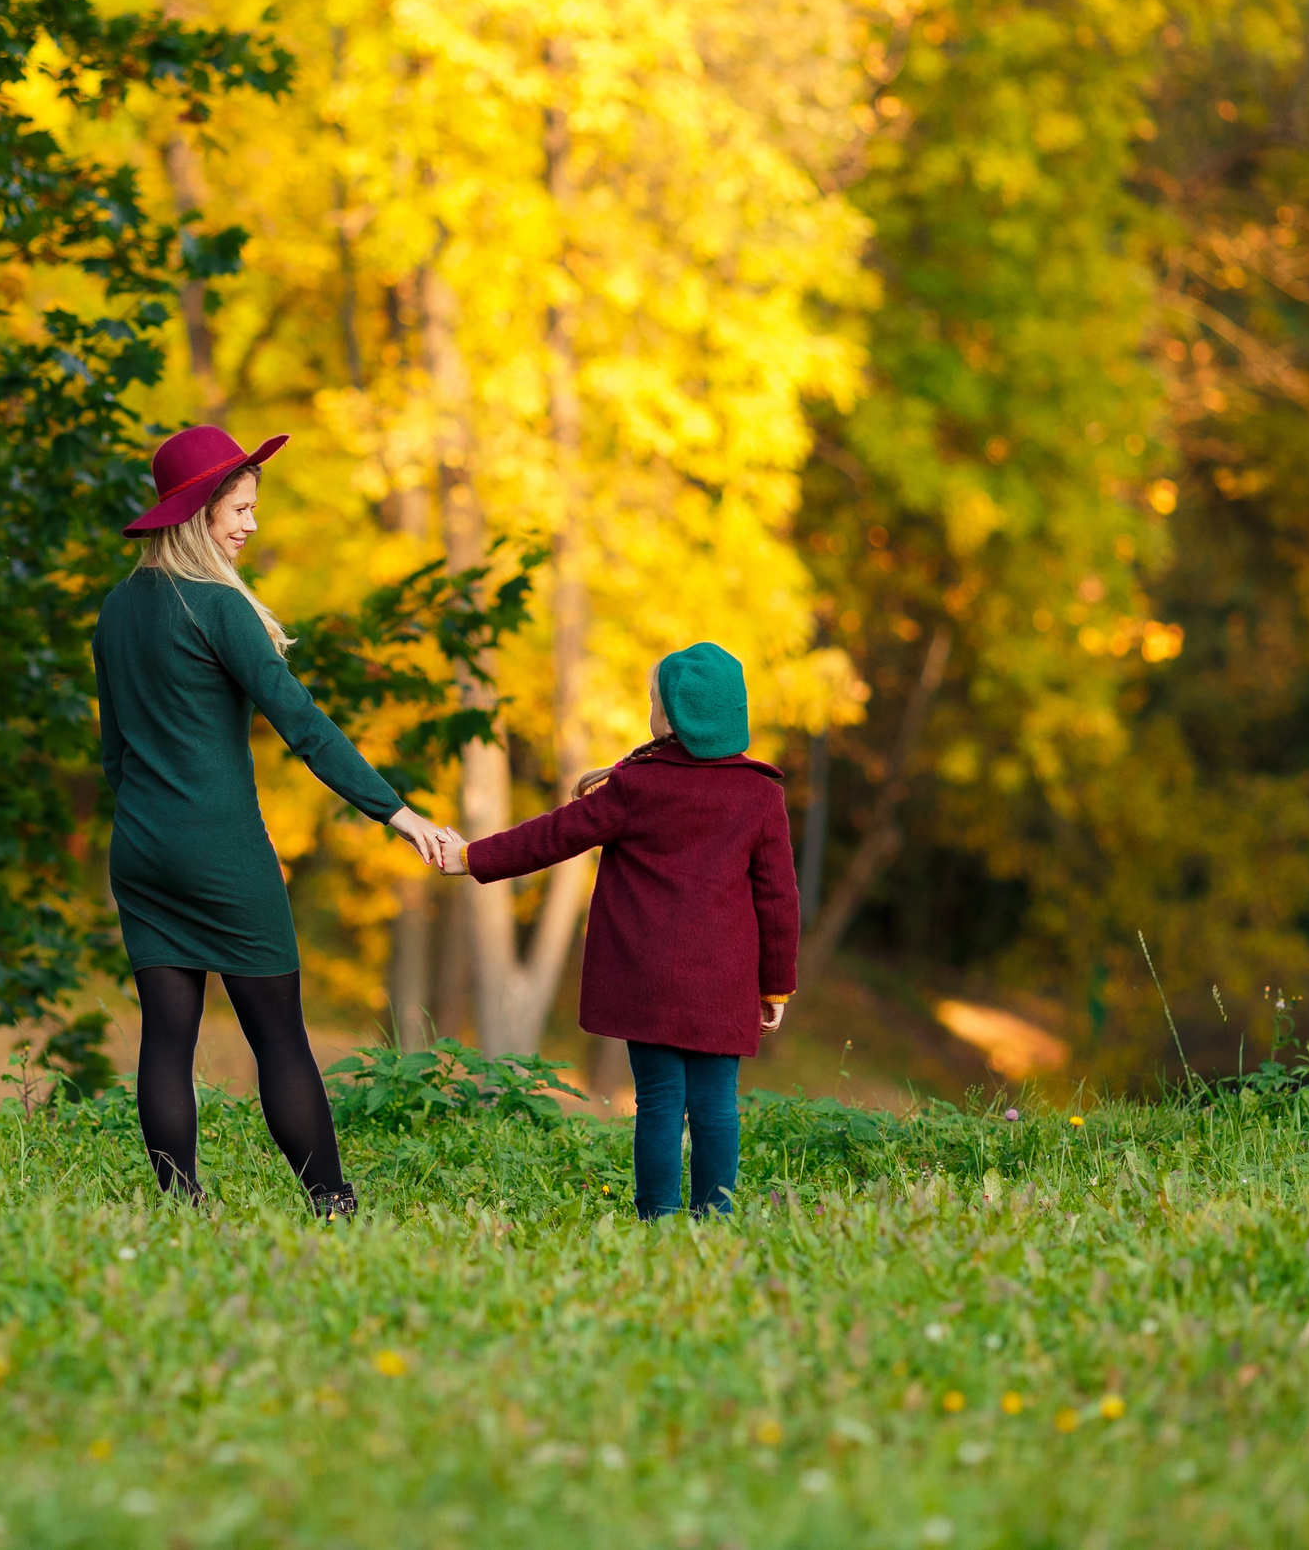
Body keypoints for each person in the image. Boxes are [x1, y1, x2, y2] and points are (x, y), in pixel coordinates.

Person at [93, 425, 461, 1217]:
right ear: (197, 513)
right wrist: (397, 812)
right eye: (240, 508)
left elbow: (114, 753)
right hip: (222, 853)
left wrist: (150, 824)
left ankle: (179, 1207)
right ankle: (332, 1201)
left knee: (167, 1035)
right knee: (281, 1039)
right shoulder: (220, 607)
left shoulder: (117, 609)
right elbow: (305, 725)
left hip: (142, 851)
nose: (251, 524)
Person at [442, 643, 797, 1218]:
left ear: (673, 717)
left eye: (654, 701)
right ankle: (717, 1220)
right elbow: (779, 900)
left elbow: (553, 835)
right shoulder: (760, 795)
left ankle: (657, 1218)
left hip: (647, 978)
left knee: (659, 1102)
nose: (649, 710)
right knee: (716, 1106)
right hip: (723, 983)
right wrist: (775, 985)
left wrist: (472, 857)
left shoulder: (638, 787)